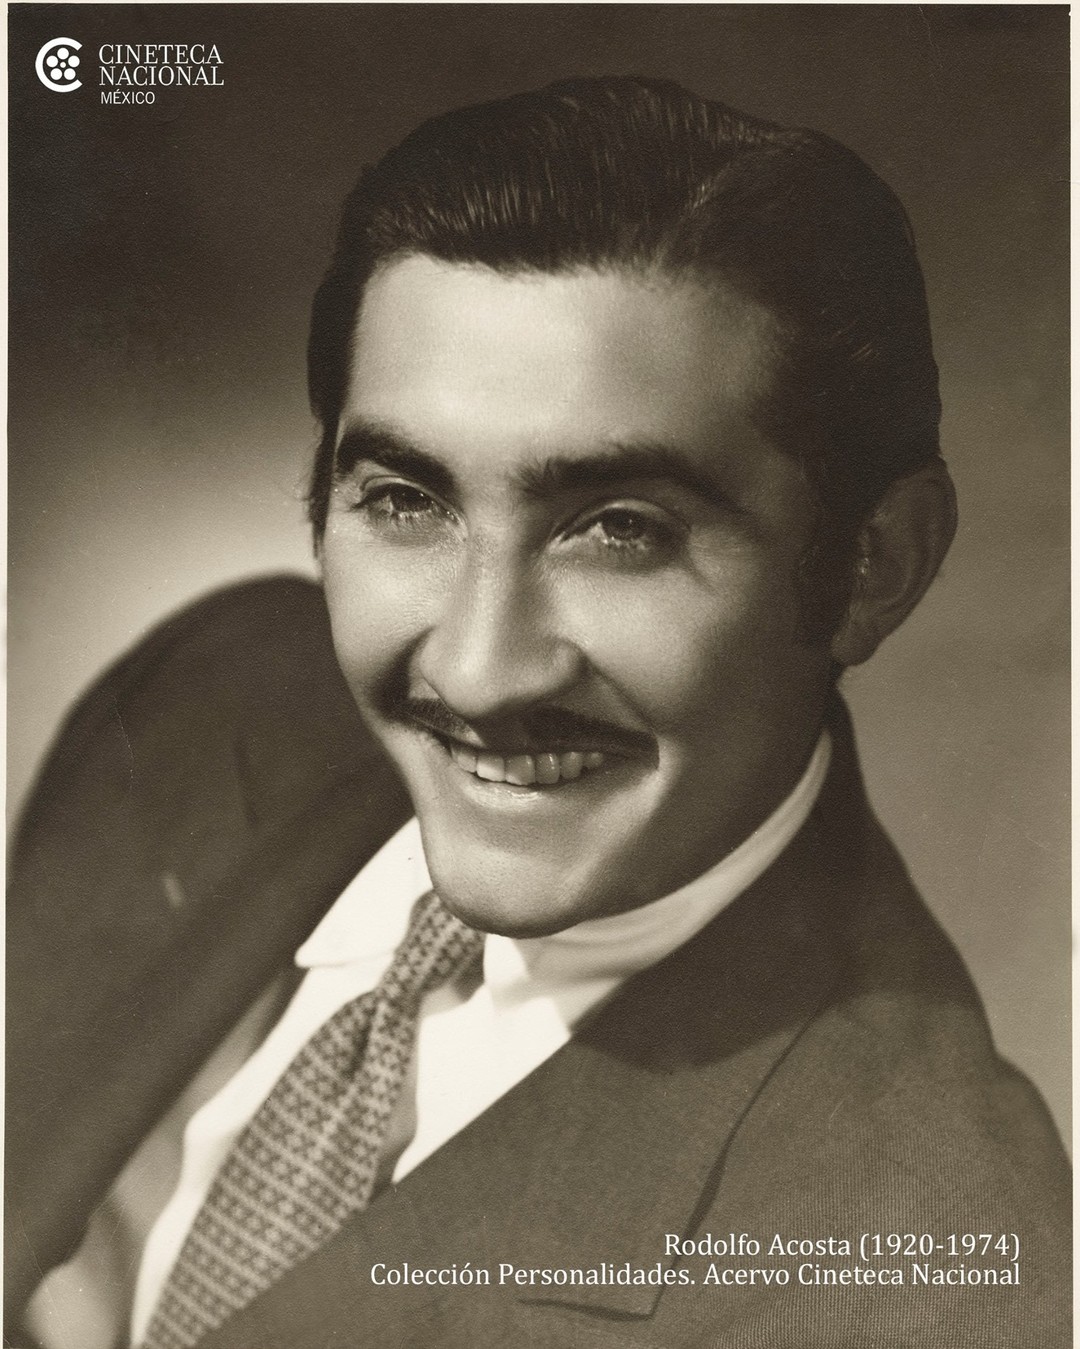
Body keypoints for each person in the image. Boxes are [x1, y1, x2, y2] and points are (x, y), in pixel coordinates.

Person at [7, 77, 1068, 1349]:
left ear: (872, 566)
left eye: (620, 528)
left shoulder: (917, 1289)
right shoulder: (215, 695)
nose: (477, 673)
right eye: (407, 500)